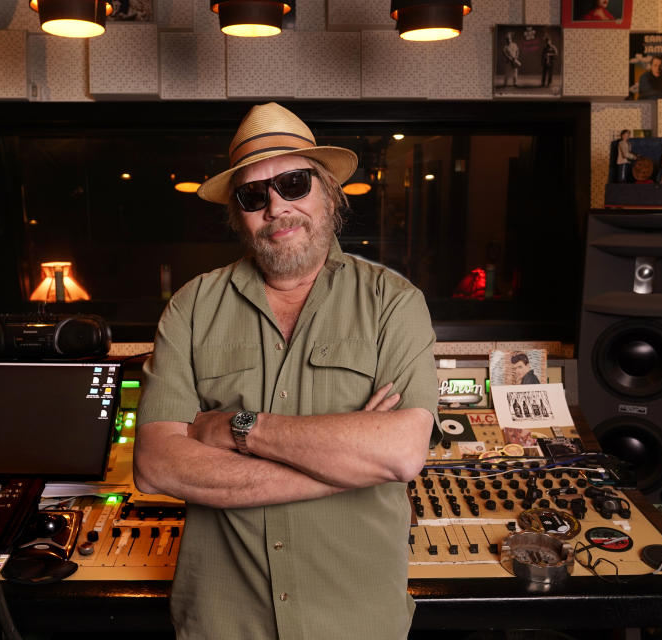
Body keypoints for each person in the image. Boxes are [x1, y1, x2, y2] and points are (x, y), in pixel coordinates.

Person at [133, 102, 439, 639]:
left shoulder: (394, 301)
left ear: (328, 194)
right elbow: (158, 465)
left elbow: (400, 452)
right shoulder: (191, 306)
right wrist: (344, 469)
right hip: (224, 623)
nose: (276, 206)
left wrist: (232, 427)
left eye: (294, 183)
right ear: (239, 213)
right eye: (254, 195)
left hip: (356, 622)